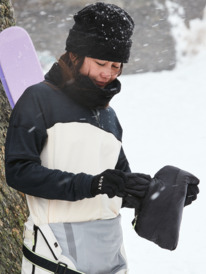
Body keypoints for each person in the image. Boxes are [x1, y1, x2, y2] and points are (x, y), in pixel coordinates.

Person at [4, 2, 199, 274]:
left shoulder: (109, 118)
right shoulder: (38, 99)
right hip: (53, 253)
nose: (108, 73)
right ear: (74, 55)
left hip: (110, 254)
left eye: (116, 65)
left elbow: (118, 186)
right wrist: (91, 184)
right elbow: (19, 172)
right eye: (100, 63)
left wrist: (161, 195)